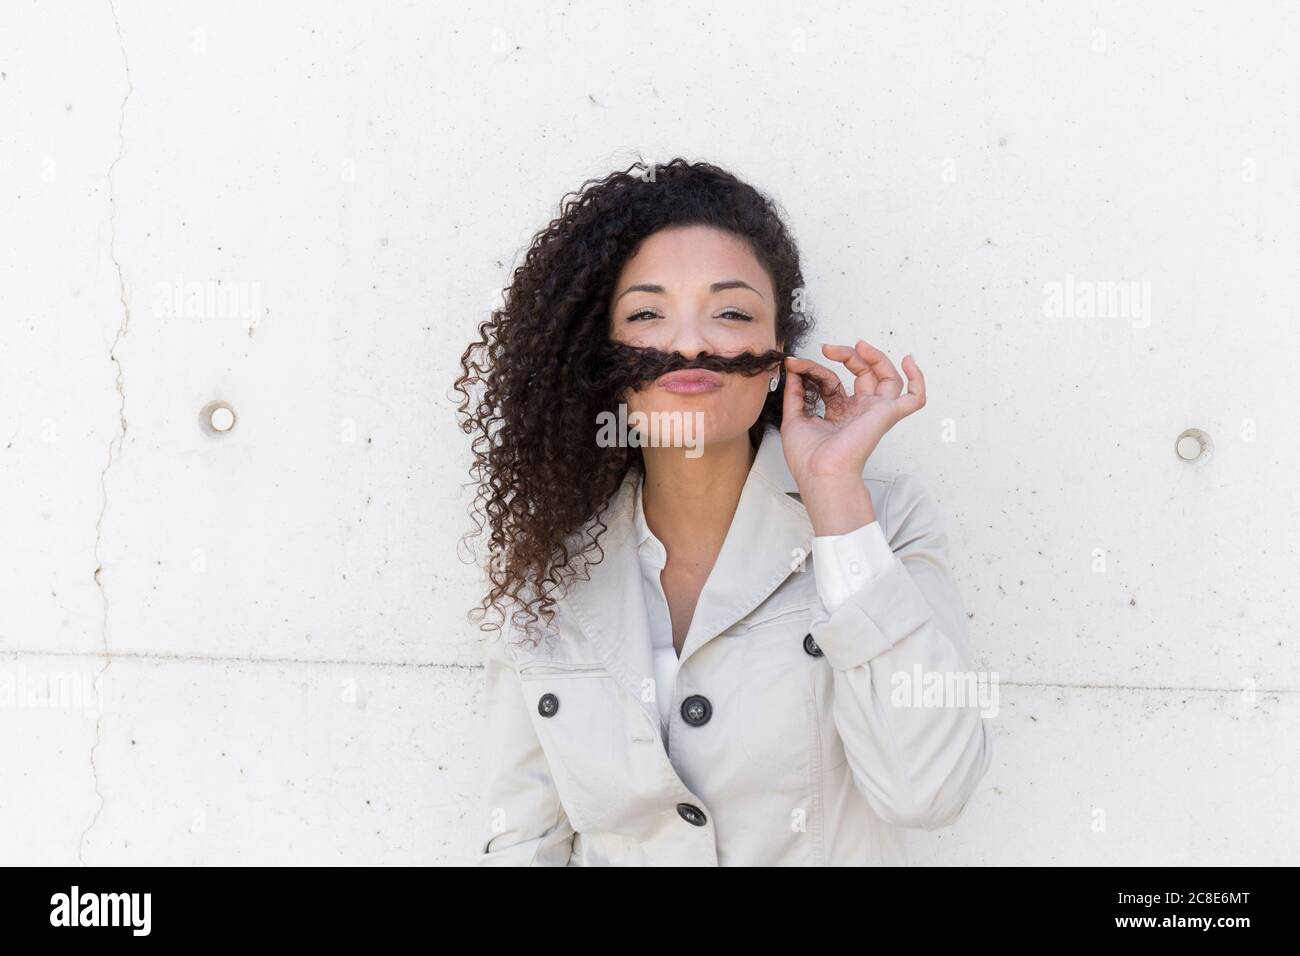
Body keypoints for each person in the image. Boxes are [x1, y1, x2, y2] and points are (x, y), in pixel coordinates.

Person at [453, 157, 993, 865]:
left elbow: (929, 791)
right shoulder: (549, 571)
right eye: (647, 313)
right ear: (600, 359)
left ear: (775, 359)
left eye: (731, 312)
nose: (689, 344)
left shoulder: (879, 524)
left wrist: (834, 495)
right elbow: (523, 836)